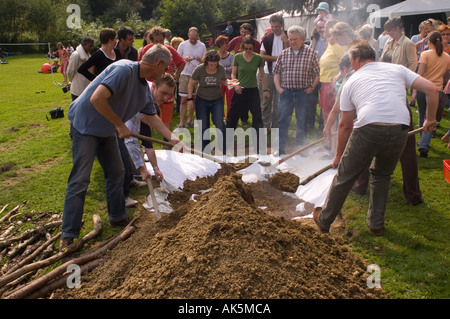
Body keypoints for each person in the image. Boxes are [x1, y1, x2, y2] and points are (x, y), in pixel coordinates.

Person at [313, 40, 439, 236]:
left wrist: (338, 156)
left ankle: (324, 220)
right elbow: (431, 89)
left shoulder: (351, 81)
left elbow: (345, 125)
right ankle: (376, 224)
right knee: (382, 176)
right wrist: (430, 119)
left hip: (368, 129)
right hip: (400, 129)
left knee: (345, 176)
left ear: (356, 60)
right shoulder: (397, 69)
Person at [61, 44, 180, 248]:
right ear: (158, 63)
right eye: (166, 67)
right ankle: (68, 233)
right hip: (85, 126)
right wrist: (119, 124)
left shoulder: (143, 90)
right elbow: (97, 98)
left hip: (106, 131)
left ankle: (116, 216)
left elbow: (151, 117)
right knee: (80, 178)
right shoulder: (124, 69)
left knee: (117, 172)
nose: (166, 72)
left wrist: (172, 138)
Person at [273, 25, 320, 155]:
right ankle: (279, 147)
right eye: (291, 39)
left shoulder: (311, 53)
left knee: (302, 120)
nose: (292, 41)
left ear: (303, 39)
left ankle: (301, 148)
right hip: (286, 92)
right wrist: (278, 88)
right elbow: (276, 73)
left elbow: (317, 73)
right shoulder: (284, 54)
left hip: (303, 93)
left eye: (295, 39)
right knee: (283, 120)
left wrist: (312, 87)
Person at [125, 74, 177, 184]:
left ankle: (129, 179)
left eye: (169, 94)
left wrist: (156, 169)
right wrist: (142, 169)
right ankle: (126, 186)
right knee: (123, 159)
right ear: (154, 87)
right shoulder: (138, 101)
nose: (166, 98)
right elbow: (131, 141)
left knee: (131, 160)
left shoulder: (148, 110)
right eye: (163, 93)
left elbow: (149, 147)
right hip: (110, 119)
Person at [226, 35, 269, 153]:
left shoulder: (258, 58)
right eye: (246, 48)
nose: (248, 51)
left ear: (253, 48)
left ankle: (259, 146)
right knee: (232, 117)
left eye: (250, 48)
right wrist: (236, 85)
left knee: (257, 117)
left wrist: (266, 90)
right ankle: (225, 144)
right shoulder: (238, 57)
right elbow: (233, 74)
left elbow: (262, 75)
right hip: (240, 90)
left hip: (253, 91)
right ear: (242, 47)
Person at [139, 26, 186, 131]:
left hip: (166, 85)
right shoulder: (147, 50)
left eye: (161, 41)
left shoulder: (168, 49)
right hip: (151, 86)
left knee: (166, 115)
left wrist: (176, 75)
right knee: (149, 114)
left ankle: (167, 140)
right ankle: (148, 140)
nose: (159, 44)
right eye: (156, 41)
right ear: (151, 40)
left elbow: (182, 62)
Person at [416, 31, 450, 158]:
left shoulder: (425, 54)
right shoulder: (447, 57)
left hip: (423, 88)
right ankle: (423, 143)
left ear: (429, 43)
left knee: (422, 116)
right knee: (429, 118)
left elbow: (421, 73)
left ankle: (423, 144)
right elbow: (446, 75)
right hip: (437, 90)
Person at [187, 51, 227, 153]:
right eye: (210, 64)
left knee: (219, 123)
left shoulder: (221, 69)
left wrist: (231, 83)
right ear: (206, 62)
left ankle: (223, 148)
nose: (213, 66)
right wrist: (190, 98)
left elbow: (223, 80)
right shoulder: (199, 69)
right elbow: (191, 83)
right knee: (204, 125)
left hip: (217, 98)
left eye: (215, 64)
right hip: (202, 99)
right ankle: (206, 150)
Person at [319, 22, 354, 135]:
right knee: (338, 116)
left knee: (339, 115)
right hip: (341, 84)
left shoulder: (354, 48)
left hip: (351, 86)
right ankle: (336, 148)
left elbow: (351, 67)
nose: (337, 41)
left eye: (338, 38)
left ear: (344, 34)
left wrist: (339, 75)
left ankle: (339, 149)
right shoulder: (347, 47)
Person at [260, 14, 290, 130]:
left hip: (284, 75)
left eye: (277, 26)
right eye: (272, 26)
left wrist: (286, 42)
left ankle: (275, 127)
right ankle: (265, 126)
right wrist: (277, 58)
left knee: (279, 103)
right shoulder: (267, 39)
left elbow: (292, 53)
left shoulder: (288, 36)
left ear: (281, 25)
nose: (274, 29)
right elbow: (262, 56)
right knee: (266, 101)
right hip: (269, 73)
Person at [176, 27, 207, 128]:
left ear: (197, 36)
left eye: (195, 38)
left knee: (193, 98)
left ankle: (190, 120)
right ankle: (181, 122)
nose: (193, 40)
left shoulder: (202, 45)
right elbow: (177, 58)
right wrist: (184, 59)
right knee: (184, 99)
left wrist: (201, 60)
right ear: (188, 35)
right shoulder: (183, 44)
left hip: (197, 75)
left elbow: (205, 60)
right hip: (185, 74)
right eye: (191, 38)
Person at [67, 37, 95, 101]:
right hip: (77, 87)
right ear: (84, 45)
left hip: (85, 86)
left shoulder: (87, 54)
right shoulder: (76, 55)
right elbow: (70, 71)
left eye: (92, 46)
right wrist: (71, 81)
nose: (91, 48)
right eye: (90, 46)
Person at [216, 35, 234, 116]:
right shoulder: (215, 56)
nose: (227, 44)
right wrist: (227, 68)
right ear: (220, 44)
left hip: (230, 80)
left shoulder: (231, 56)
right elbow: (214, 68)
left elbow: (233, 69)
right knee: (220, 100)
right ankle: (220, 116)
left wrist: (222, 68)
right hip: (219, 81)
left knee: (230, 100)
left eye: (227, 43)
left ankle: (229, 116)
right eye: (225, 43)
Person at [170, 37, 185, 113]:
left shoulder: (183, 54)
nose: (177, 46)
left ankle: (179, 108)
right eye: (175, 44)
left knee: (179, 93)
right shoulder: (170, 54)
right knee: (171, 92)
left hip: (180, 76)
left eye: (179, 44)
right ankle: (171, 107)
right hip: (172, 75)